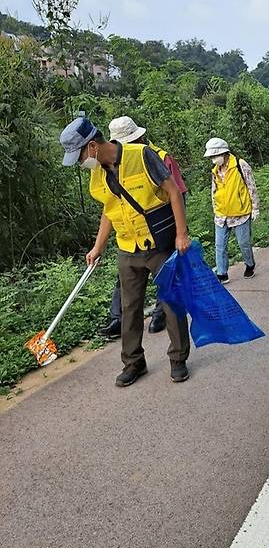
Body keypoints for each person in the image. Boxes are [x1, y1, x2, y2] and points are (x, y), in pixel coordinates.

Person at [59, 116, 191, 387]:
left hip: (158, 243)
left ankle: (178, 359)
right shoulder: (97, 172)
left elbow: (173, 192)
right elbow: (109, 211)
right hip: (127, 248)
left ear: (92, 146)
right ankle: (134, 363)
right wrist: (98, 246)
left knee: (171, 302)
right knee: (129, 308)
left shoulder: (141, 155)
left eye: (80, 156)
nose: (81, 163)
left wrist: (181, 234)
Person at [101, 116, 188, 339]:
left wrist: (179, 232)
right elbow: (111, 207)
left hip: (160, 236)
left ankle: (160, 314)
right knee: (126, 287)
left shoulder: (157, 156)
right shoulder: (111, 166)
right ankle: (118, 319)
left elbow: (177, 193)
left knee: (167, 283)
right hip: (130, 241)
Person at [204, 137, 259, 283]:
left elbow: (251, 186)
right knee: (220, 245)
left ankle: (250, 264)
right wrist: (215, 209)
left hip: (241, 212)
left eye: (215, 155)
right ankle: (222, 273)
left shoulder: (240, 165)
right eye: (212, 156)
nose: (213, 159)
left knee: (243, 243)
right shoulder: (215, 171)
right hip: (221, 214)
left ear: (224, 153)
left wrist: (255, 207)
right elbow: (214, 191)